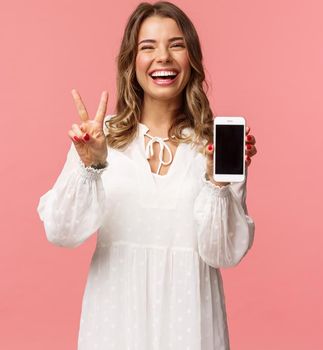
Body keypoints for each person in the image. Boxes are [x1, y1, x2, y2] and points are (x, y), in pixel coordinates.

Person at [36, 1, 258, 349]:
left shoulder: (212, 146)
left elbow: (223, 254)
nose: (163, 57)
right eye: (148, 47)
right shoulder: (99, 137)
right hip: (116, 322)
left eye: (177, 44)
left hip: (190, 323)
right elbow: (61, 231)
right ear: (132, 61)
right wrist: (90, 166)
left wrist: (217, 183)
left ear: (192, 59)